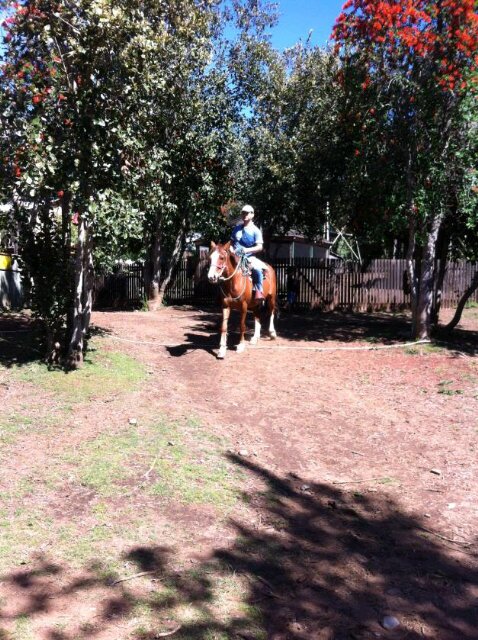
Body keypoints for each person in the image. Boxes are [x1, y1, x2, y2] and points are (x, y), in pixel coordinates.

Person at [230, 204, 267, 300]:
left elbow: (260, 247)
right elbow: (231, 242)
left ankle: (259, 291)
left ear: (252, 214)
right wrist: (230, 249)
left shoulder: (256, 230)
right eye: (243, 213)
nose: (244, 215)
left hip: (249, 257)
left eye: (247, 213)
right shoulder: (236, 228)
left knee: (257, 269)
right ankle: (222, 294)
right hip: (235, 255)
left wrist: (247, 250)